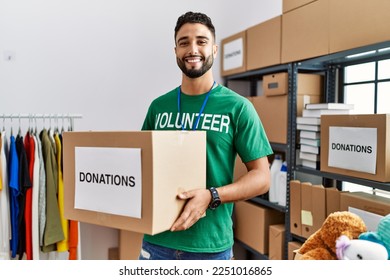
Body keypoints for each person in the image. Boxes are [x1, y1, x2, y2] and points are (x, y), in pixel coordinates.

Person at [139, 11, 273, 260]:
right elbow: (141, 167)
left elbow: (262, 178)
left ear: (214, 49)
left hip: (209, 247)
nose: (192, 49)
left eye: (201, 41)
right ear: (175, 51)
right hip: (157, 242)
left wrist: (212, 196)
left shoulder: (238, 107)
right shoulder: (158, 107)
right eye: (184, 42)